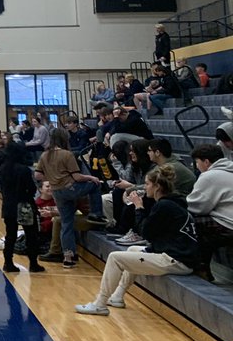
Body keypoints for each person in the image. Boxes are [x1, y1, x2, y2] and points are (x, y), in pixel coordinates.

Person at [75, 167, 198, 316]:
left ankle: (100, 304)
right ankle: (117, 296)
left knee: (115, 257)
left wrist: (138, 207)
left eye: (147, 184)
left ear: (157, 187)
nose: (145, 187)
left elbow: (145, 232)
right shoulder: (173, 203)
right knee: (133, 249)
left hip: (176, 260)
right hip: (179, 257)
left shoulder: (165, 206)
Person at [34, 127, 104, 269]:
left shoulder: (45, 155)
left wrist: (53, 177)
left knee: (66, 224)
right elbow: (77, 177)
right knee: (95, 185)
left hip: (56, 191)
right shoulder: (67, 154)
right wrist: (91, 177)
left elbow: (37, 175)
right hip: (69, 188)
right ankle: (96, 214)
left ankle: (68, 257)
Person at [186, 144, 233, 278]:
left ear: (206, 161)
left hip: (228, 225)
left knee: (188, 222)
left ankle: (200, 268)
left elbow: (197, 206)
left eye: (197, 162)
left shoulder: (209, 176)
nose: (196, 166)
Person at [0, 143, 45, 274]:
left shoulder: (2, 169)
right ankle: (33, 263)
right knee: (31, 235)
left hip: (8, 206)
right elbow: (31, 188)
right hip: (24, 205)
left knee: (10, 235)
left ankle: (8, 263)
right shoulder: (24, 170)